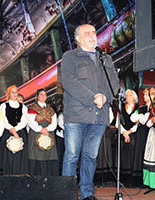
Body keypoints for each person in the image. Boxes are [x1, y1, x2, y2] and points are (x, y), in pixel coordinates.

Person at [61, 24, 119, 200]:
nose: (92, 36)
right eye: (87, 33)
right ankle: (67, 194)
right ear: (78, 39)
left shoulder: (105, 58)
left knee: (90, 157)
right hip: (76, 115)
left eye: (94, 32)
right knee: (71, 156)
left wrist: (105, 97)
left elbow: (114, 84)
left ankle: (87, 194)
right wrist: (93, 97)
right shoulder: (70, 57)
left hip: (99, 117)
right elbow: (69, 82)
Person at [27, 89, 58, 176]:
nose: (43, 96)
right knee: (35, 155)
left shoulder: (50, 109)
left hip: (49, 133)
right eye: (41, 94)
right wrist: (40, 129)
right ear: (37, 96)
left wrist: (48, 129)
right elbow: (30, 122)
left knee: (49, 155)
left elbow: (54, 122)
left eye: (45, 94)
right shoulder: (32, 108)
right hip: (36, 133)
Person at [0, 85, 28, 175]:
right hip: (8, 132)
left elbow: (24, 121)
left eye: (16, 92)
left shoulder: (23, 107)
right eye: (12, 92)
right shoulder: (3, 106)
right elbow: (3, 119)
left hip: (20, 133)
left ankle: (20, 176)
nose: (14, 94)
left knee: (20, 156)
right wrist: (11, 129)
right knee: (9, 156)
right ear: (8, 94)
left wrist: (16, 130)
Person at [130, 87, 155, 184]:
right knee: (139, 153)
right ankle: (138, 179)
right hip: (140, 132)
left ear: (152, 95)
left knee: (145, 154)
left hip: (148, 132)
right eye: (144, 94)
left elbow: (145, 121)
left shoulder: (153, 107)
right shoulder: (142, 107)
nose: (144, 96)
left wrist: (140, 117)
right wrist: (140, 117)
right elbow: (132, 117)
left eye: (146, 94)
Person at [115, 89, 138, 182]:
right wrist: (124, 133)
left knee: (132, 154)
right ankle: (122, 178)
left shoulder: (138, 108)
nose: (126, 97)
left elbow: (138, 123)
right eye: (126, 95)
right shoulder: (121, 108)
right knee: (122, 155)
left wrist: (129, 132)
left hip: (133, 134)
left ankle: (131, 179)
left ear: (133, 97)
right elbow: (117, 123)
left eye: (129, 95)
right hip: (122, 134)